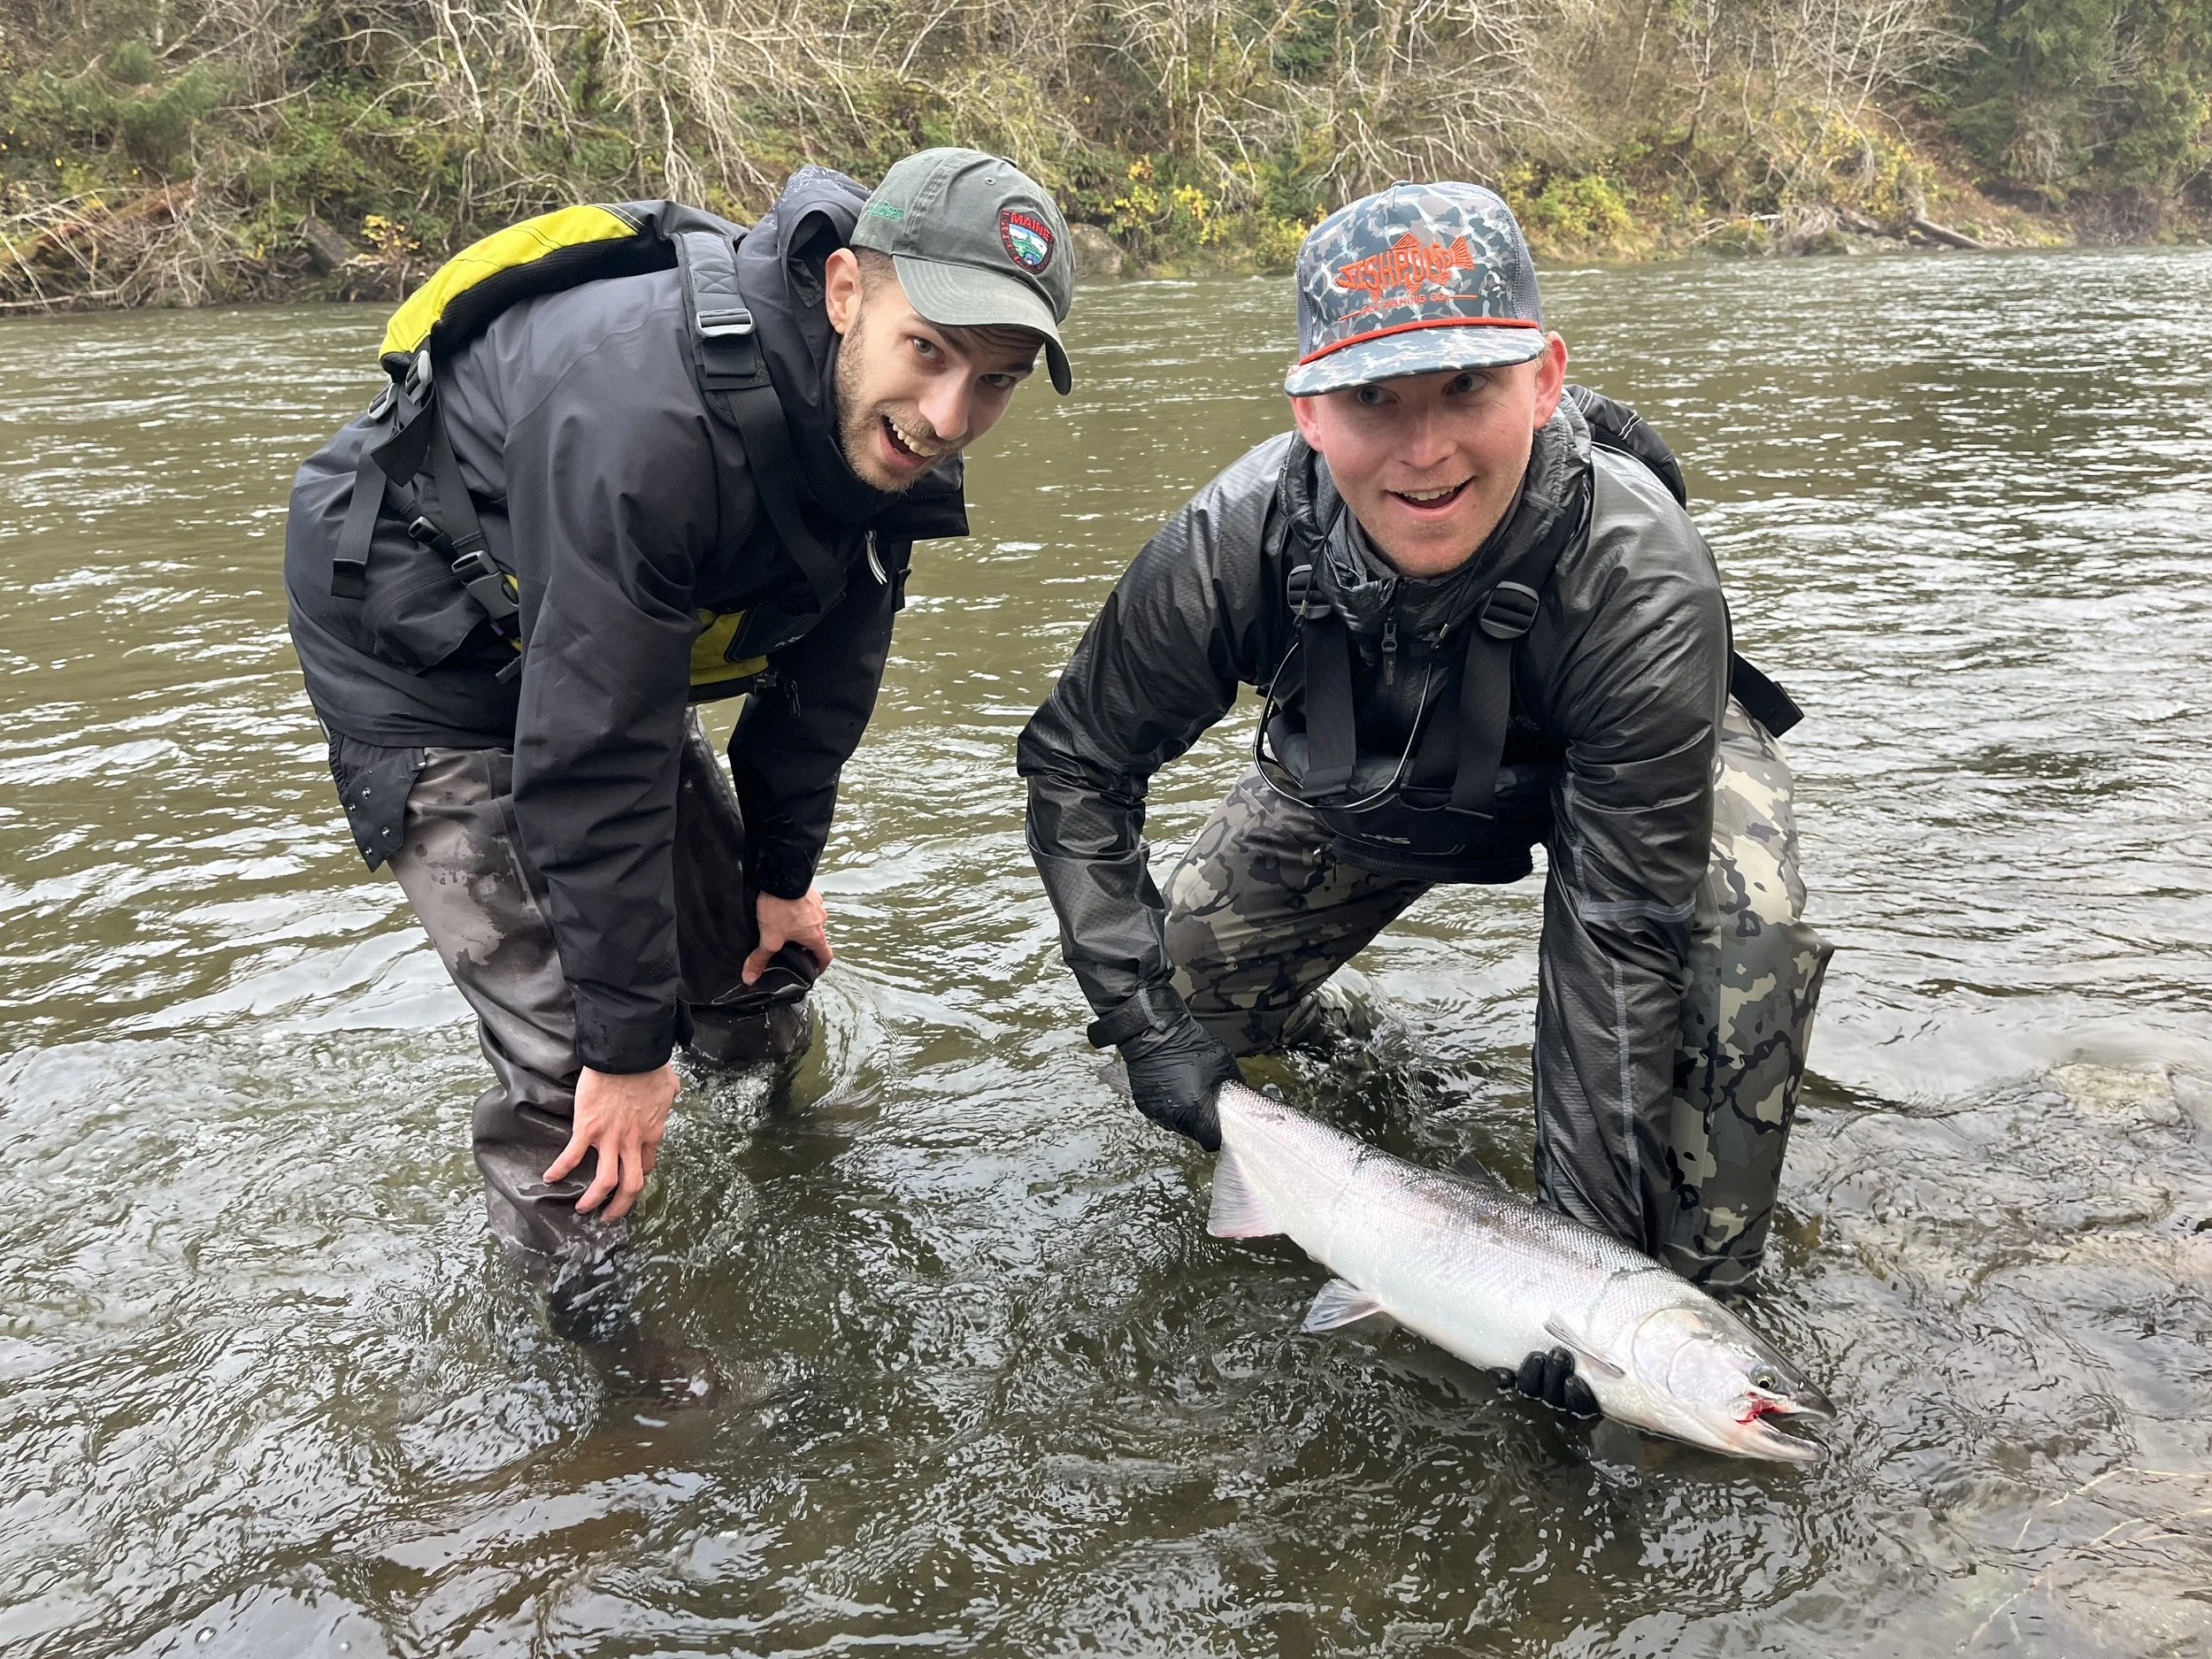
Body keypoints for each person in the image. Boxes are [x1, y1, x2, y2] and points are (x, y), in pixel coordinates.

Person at [1018, 181, 1830, 1416]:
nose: (1427, 448)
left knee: (1734, 923)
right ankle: (1344, 1035)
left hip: (1631, 790)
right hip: (1365, 782)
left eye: (1467, 387)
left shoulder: (1640, 573)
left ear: (1545, 379)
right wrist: (1147, 1030)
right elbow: (1075, 764)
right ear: (1307, 412)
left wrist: (1588, 1270)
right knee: (1168, 994)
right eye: (1372, 400)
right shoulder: (1232, 544)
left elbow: (1616, 937)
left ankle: (1711, 1287)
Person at [285, 150, 1076, 1339]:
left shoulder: (889, 435)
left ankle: (782, 1160)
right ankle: (597, 1365)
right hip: (423, 656)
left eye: (997, 380)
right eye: (931, 351)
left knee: (752, 983)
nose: (949, 417)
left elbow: (829, 666)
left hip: (587, 638)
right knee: (576, 1071)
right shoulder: (647, 418)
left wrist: (781, 878)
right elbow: (590, 759)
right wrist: (621, 1047)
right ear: (849, 290)